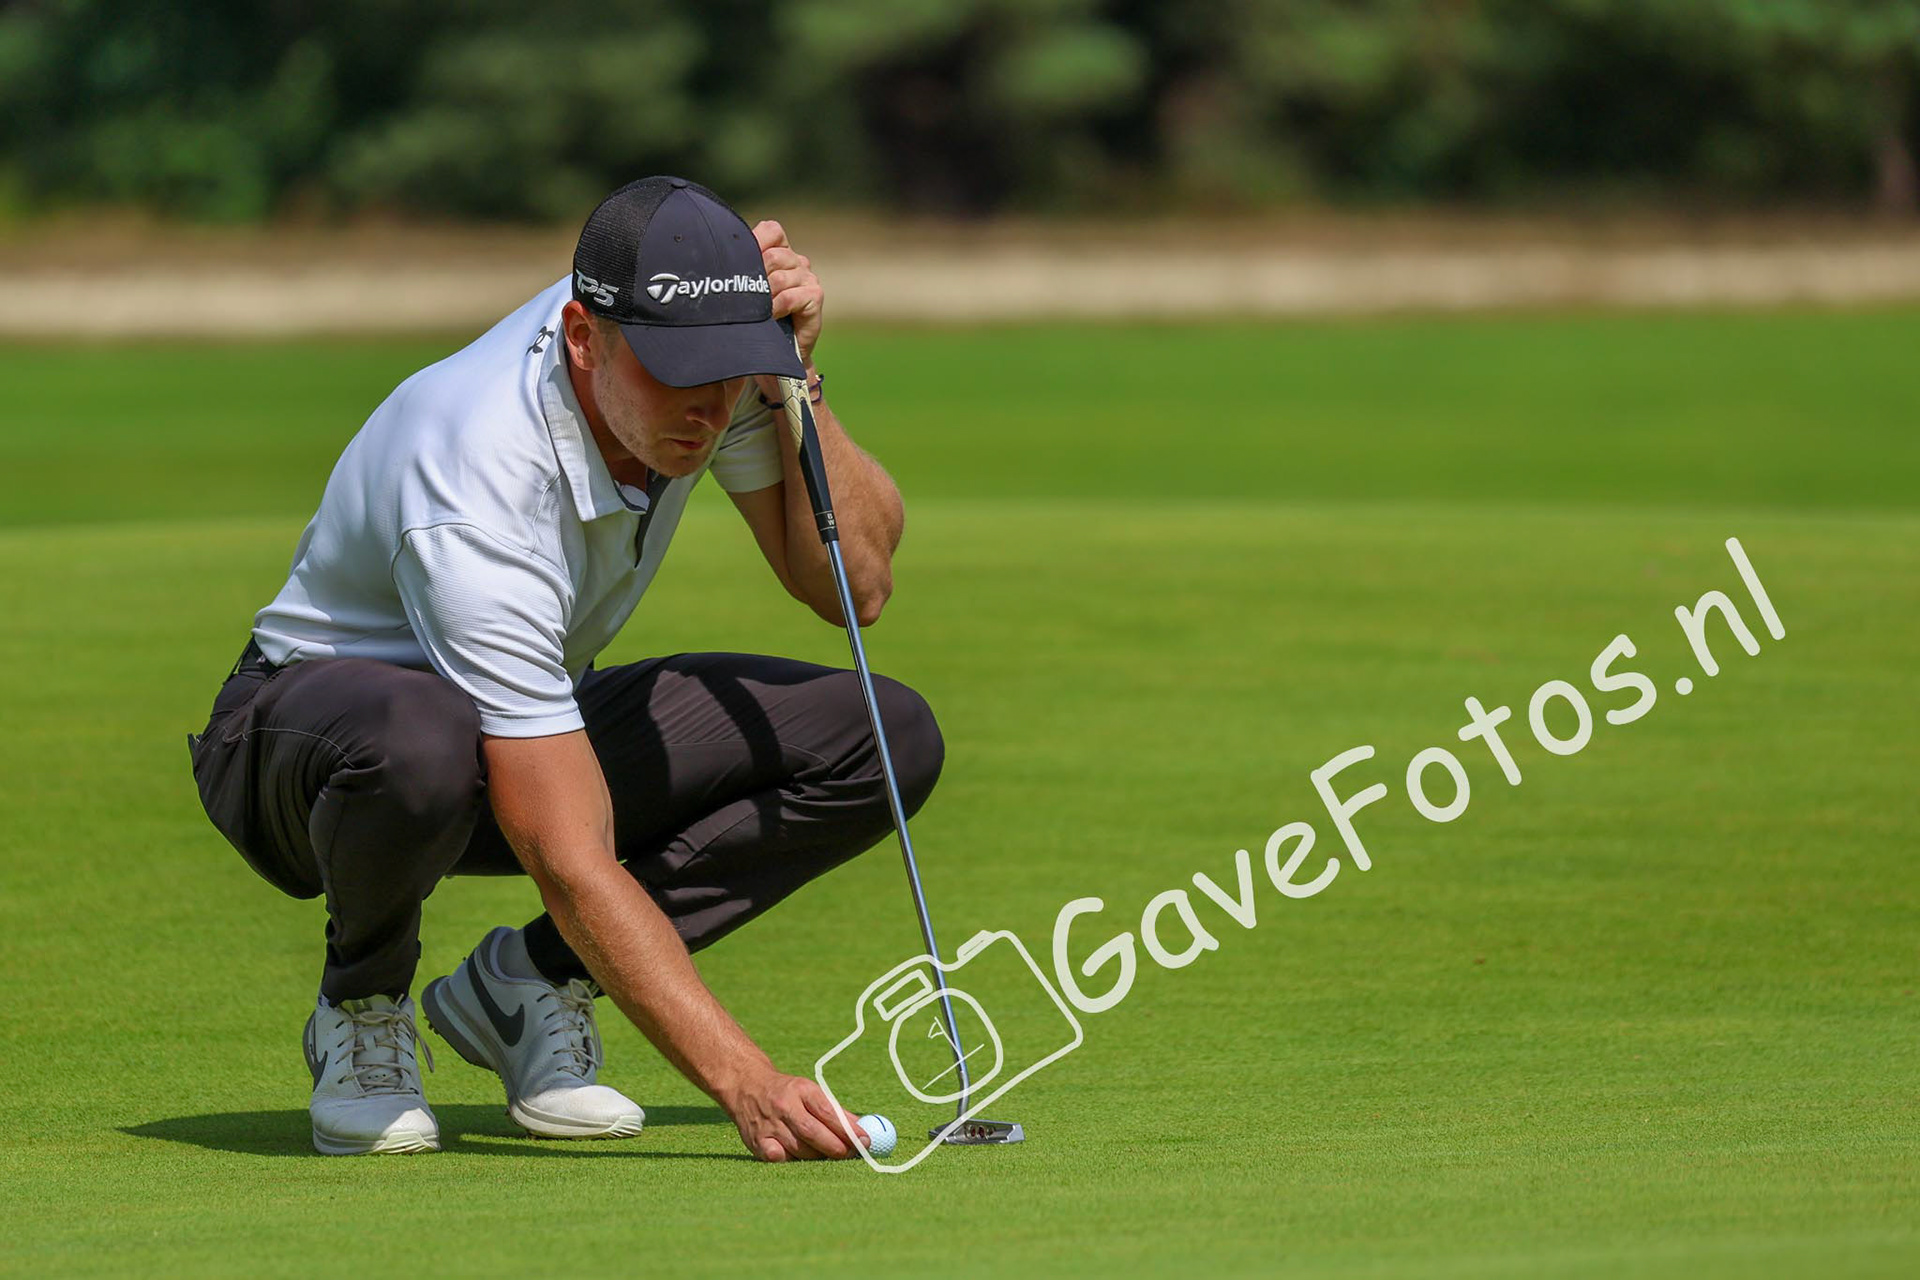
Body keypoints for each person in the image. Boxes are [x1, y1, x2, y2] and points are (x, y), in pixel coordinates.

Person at [185, 176, 942, 1161]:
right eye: (680, 374)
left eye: (728, 372)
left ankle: (527, 984)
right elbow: (566, 852)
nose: (707, 407)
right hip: (303, 750)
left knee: (883, 735)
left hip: (513, 716)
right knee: (425, 737)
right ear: (584, 337)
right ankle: (361, 1008)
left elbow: (855, 586)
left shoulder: (705, 363)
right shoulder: (474, 471)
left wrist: (793, 382)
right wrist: (746, 1082)